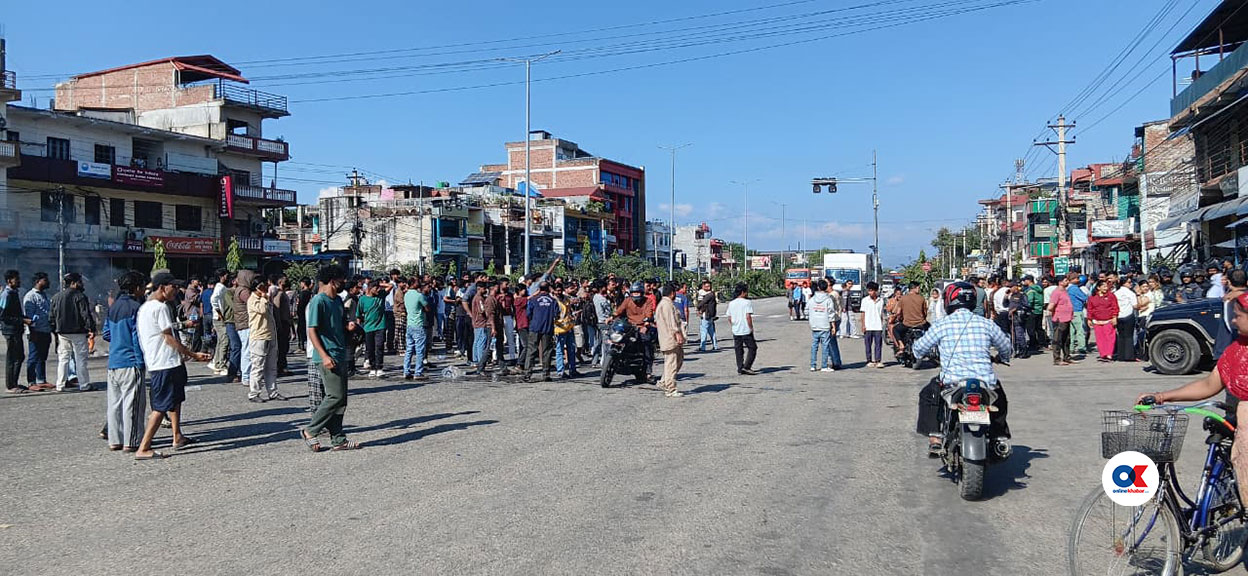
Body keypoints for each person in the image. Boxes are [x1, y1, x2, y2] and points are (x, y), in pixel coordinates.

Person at [1137, 291, 1248, 509]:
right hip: (1235, 425)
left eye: (1238, 316)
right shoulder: (1235, 351)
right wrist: (1161, 397)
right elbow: (1209, 385)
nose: (1233, 322)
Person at [912, 282, 1013, 454]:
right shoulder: (986, 324)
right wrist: (1002, 357)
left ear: (949, 301)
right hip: (985, 382)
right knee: (1000, 399)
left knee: (928, 395)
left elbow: (919, 349)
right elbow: (1006, 347)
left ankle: (935, 437)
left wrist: (921, 353)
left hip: (952, 381)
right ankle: (999, 437)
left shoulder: (942, 324)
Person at [133, 272, 211, 460]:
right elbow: (167, 337)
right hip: (164, 363)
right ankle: (144, 447)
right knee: (161, 406)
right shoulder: (159, 307)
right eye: (173, 287)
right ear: (162, 288)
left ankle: (177, 435)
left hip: (166, 361)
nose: (176, 291)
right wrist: (192, 354)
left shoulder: (145, 307)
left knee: (175, 399)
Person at [300, 265, 359, 452]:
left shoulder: (338, 301)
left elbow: (339, 325)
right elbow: (312, 330)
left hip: (340, 353)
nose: (344, 284)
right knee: (335, 396)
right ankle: (310, 430)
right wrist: (324, 355)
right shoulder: (318, 301)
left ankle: (338, 439)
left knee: (341, 400)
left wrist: (349, 327)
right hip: (326, 355)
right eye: (342, 280)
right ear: (333, 281)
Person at [103, 270, 147, 452]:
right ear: (136, 288)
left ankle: (115, 440)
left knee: (114, 404)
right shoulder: (136, 308)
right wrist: (141, 362)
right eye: (142, 286)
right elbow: (137, 338)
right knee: (133, 404)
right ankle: (132, 441)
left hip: (114, 362)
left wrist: (118, 339)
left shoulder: (113, 307)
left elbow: (106, 333)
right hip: (131, 362)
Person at [51, 272, 96, 392]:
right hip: (78, 332)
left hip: (62, 332)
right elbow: (85, 314)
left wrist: (55, 330)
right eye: (80, 282)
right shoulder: (80, 296)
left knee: (63, 359)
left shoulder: (56, 297)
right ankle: (84, 384)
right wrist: (91, 328)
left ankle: (60, 385)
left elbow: (51, 316)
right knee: (81, 359)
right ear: (73, 283)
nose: (82, 284)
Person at [246, 275, 283, 403]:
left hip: (270, 335)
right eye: (263, 286)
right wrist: (263, 296)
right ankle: (254, 393)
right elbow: (262, 310)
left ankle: (273, 392)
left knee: (272, 367)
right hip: (259, 337)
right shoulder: (252, 300)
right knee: (258, 367)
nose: (266, 288)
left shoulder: (266, 298)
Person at [22, 272, 52, 391]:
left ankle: (41, 380)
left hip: (45, 330)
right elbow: (29, 317)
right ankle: (31, 382)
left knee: (42, 357)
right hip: (35, 331)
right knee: (33, 357)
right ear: (38, 281)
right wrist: (32, 331)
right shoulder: (30, 296)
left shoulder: (45, 295)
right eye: (45, 280)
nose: (48, 282)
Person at [1, 269, 29, 393]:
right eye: (16, 279)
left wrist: (24, 319)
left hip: (16, 329)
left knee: (19, 356)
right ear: (9, 281)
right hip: (10, 330)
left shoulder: (14, 293)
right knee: (13, 358)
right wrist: (21, 320)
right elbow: (3, 316)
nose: (19, 281)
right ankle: (10, 385)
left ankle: (14, 382)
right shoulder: (6, 295)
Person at [655, 283, 685, 397]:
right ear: (672, 293)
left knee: (678, 359)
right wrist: (677, 334)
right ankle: (670, 388)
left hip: (670, 338)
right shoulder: (666, 305)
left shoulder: (665, 304)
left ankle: (664, 382)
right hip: (670, 338)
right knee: (671, 364)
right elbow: (671, 321)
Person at [524, 282, 557, 382]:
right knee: (547, 351)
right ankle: (546, 374)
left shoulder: (533, 300)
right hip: (548, 328)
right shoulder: (553, 301)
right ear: (548, 289)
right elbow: (557, 314)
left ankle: (527, 374)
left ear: (539, 289)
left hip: (535, 327)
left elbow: (528, 313)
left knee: (531, 350)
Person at [726, 283, 758, 375]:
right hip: (745, 329)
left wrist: (734, 325)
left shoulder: (731, 303)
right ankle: (747, 366)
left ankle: (740, 367)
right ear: (743, 292)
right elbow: (748, 316)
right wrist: (751, 327)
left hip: (736, 330)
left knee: (739, 349)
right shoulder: (746, 302)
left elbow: (729, 317)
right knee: (752, 348)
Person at [357, 282, 386, 378]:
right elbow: (358, 314)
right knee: (370, 349)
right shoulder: (362, 299)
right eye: (376, 288)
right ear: (370, 288)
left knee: (379, 346)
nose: (378, 290)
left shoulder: (381, 295)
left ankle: (379, 367)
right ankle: (373, 368)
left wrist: (380, 283)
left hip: (380, 326)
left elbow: (391, 286)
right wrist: (358, 329)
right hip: (368, 327)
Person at [808, 279, 838, 372]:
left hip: (814, 325)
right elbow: (831, 314)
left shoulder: (812, 299)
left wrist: (812, 318)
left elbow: (806, 310)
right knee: (825, 347)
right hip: (825, 326)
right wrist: (833, 326)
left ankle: (813, 365)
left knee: (814, 346)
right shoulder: (828, 300)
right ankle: (824, 366)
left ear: (818, 287)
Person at [402, 278, 429, 380]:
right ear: (413, 284)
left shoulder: (406, 294)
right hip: (418, 324)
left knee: (409, 349)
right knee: (419, 350)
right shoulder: (419, 295)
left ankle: (406, 371)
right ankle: (418, 372)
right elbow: (427, 307)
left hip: (409, 324)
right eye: (417, 282)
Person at [1087, 280, 1119, 362]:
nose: (1106, 288)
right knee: (1100, 338)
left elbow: (1115, 307)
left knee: (1110, 337)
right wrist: (1089, 319)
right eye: (1104, 286)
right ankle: (1103, 354)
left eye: (1106, 286)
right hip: (1097, 321)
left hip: (1108, 320)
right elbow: (1090, 309)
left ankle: (1109, 354)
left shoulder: (1111, 296)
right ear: (1098, 287)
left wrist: (1114, 317)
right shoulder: (1092, 297)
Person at [895, 281, 929, 354]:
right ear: (915, 288)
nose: (919, 289)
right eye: (918, 288)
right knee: (930, 328)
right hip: (920, 324)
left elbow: (898, 312)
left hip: (907, 324)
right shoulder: (921, 298)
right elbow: (925, 312)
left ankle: (901, 344)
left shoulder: (903, 298)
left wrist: (899, 318)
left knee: (895, 329)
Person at [1047, 275, 1074, 366]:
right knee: (1057, 339)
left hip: (1067, 318)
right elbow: (1050, 306)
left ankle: (1067, 357)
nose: (1067, 282)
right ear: (1060, 282)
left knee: (1066, 339)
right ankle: (1057, 359)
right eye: (1066, 280)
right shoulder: (1056, 292)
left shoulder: (1065, 291)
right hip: (1059, 319)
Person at [210, 269, 232, 376]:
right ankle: (221, 364)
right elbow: (213, 299)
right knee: (224, 340)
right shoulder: (220, 287)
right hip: (219, 317)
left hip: (218, 317)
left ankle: (217, 362)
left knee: (220, 340)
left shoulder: (220, 287)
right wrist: (219, 312)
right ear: (222, 276)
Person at [271, 274, 294, 376]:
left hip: (286, 321)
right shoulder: (279, 294)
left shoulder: (283, 293)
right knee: (282, 346)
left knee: (285, 346)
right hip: (282, 322)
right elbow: (277, 309)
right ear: (280, 282)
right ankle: (280, 366)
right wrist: (279, 324)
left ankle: (282, 365)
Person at [861, 282, 886, 368]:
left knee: (878, 344)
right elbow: (863, 314)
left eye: (871, 291)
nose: (870, 292)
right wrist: (863, 325)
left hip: (878, 326)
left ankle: (878, 360)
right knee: (868, 344)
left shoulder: (881, 301)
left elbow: (881, 313)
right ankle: (869, 360)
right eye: (869, 291)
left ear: (876, 291)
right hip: (868, 326)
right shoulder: (865, 300)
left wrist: (882, 324)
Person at [1113, 278, 1138, 362]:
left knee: (1121, 336)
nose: (1131, 284)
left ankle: (1121, 355)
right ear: (1124, 283)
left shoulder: (1116, 293)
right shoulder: (1131, 293)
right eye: (1129, 282)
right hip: (1128, 315)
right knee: (1129, 336)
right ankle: (1129, 356)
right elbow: (1135, 306)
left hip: (1119, 316)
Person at [1067, 273, 1089, 358]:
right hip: (1077, 310)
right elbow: (1084, 297)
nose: (1078, 280)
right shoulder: (1074, 288)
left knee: (1071, 331)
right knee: (1080, 330)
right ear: (1073, 279)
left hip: (1070, 311)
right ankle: (1081, 347)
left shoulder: (1068, 288)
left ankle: (1071, 347)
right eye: (1077, 278)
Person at [696, 280, 718, 352]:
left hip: (706, 315)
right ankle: (715, 346)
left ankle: (702, 347)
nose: (707, 287)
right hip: (710, 316)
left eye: (708, 286)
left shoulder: (708, 295)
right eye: (705, 286)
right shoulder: (712, 294)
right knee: (711, 331)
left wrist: (698, 308)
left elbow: (702, 303)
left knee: (703, 331)